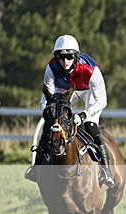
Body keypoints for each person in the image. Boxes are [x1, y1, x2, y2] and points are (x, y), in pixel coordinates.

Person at [25, 34, 114, 187]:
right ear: (56, 57)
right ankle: (36, 167)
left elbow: (102, 101)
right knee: (51, 126)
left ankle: (106, 171)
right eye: (61, 57)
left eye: (69, 57)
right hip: (66, 91)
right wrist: (50, 114)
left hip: (88, 92)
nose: (65, 62)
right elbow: (46, 99)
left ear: (76, 56)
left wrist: (84, 115)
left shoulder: (90, 69)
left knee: (91, 126)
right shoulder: (52, 67)